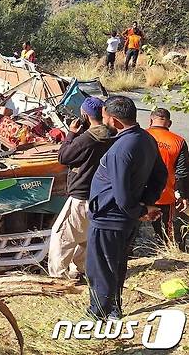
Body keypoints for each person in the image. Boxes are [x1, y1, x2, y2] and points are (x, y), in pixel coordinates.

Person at [86, 95, 167, 319]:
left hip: (110, 218)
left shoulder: (122, 148)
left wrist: (141, 211)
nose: (103, 122)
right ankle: (113, 310)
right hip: (123, 218)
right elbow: (161, 174)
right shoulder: (145, 138)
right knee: (117, 265)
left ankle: (99, 313)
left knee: (100, 268)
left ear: (115, 121)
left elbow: (121, 194)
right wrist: (147, 203)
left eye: (104, 118)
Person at [49, 97, 112, 280]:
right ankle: (80, 269)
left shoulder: (87, 138)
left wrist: (71, 134)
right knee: (85, 236)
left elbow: (64, 157)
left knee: (61, 236)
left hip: (81, 195)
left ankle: (58, 277)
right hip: (99, 194)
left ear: (84, 115)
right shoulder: (111, 135)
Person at [147, 108, 189, 248]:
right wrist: (183, 195)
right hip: (164, 195)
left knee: (130, 232)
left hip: (137, 193)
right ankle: (167, 254)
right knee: (165, 234)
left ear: (150, 120)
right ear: (169, 123)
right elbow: (182, 173)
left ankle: (128, 257)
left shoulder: (140, 136)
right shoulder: (179, 141)